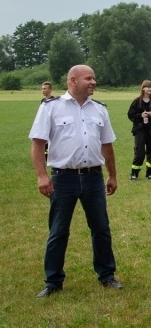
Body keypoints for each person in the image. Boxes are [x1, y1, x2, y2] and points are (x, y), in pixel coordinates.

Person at [29, 65, 122, 297]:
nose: (94, 82)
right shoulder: (52, 108)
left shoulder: (99, 109)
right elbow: (38, 143)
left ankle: (107, 275)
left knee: (101, 229)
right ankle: (53, 281)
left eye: (94, 78)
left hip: (93, 178)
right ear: (73, 80)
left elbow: (107, 144)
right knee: (59, 230)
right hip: (63, 179)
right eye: (89, 78)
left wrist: (112, 175)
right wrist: (42, 176)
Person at [127, 79, 151, 180]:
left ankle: (150, 173)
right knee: (139, 152)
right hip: (140, 130)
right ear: (143, 88)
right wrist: (140, 115)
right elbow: (130, 115)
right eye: (148, 87)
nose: (150, 89)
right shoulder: (136, 101)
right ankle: (134, 173)